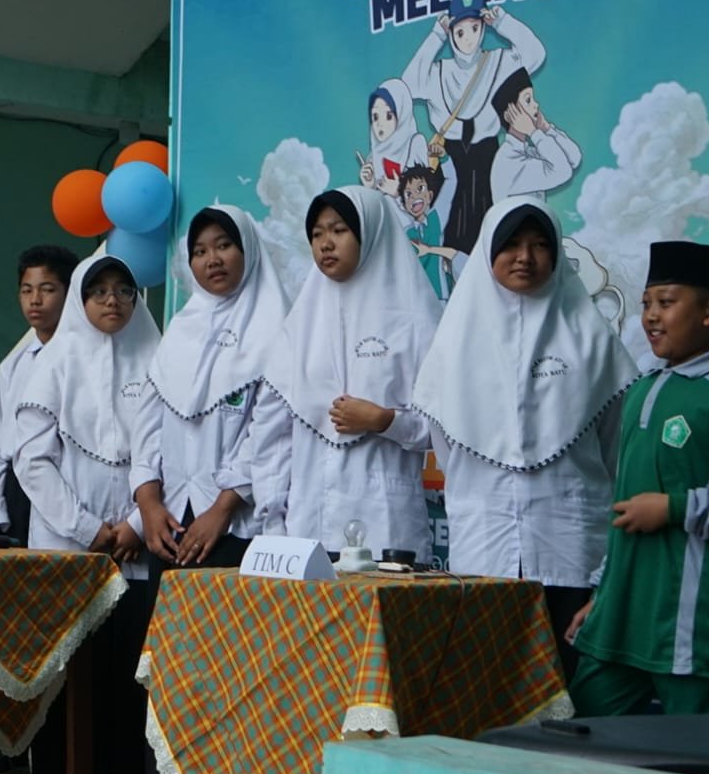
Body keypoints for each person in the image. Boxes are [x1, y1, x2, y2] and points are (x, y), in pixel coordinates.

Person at [412, 198, 638, 679]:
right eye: (511, 244)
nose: (525, 257)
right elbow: (449, 452)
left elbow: (614, 448)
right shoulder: (454, 346)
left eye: (539, 245)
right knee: (488, 687)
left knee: (571, 684)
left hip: (570, 546)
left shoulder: (593, 342)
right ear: (487, 252)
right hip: (484, 549)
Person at [568, 242, 709, 715]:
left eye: (667, 303)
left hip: (691, 626)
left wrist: (677, 508)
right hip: (620, 617)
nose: (651, 316)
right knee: (584, 740)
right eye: (647, 303)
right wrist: (601, 593)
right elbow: (624, 508)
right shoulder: (640, 392)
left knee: (698, 767)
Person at [127, 205, 289, 774]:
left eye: (225, 246)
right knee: (169, 671)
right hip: (171, 528)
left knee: (228, 675)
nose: (213, 259)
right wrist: (147, 500)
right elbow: (147, 424)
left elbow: (269, 432)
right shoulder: (180, 331)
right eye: (200, 250)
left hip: (235, 532)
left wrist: (224, 505)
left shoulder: (275, 329)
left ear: (248, 251)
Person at [14, 256, 159, 774]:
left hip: (135, 544)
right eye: (98, 291)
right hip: (66, 543)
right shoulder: (52, 364)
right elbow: (33, 461)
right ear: (80, 298)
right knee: (67, 662)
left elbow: (161, 453)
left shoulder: (156, 358)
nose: (112, 301)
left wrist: (133, 527)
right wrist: (89, 529)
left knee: (126, 661)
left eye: (124, 290)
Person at [252, 188, 440, 559]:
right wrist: (273, 522)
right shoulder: (300, 327)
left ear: (368, 232)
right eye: (317, 234)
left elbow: (445, 427)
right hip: (308, 529)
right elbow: (271, 435)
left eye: (338, 230)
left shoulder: (416, 322)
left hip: (387, 526)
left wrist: (385, 420)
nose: (325, 244)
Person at [0, 243, 78, 774]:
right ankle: (11, 745)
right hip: (17, 497)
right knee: (14, 633)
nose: (36, 301)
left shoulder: (82, 351)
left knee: (55, 632)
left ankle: (53, 758)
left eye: (48, 289)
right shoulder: (16, 363)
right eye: (26, 290)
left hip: (64, 497)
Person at [403, 0, 545, 258]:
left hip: (489, 163)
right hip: (451, 168)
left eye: (474, 28)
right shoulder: (438, 72)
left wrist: (503, 22)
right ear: (451, 33)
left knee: (498, 239)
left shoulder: (498, 62)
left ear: (482, 27)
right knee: (450, 240)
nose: (468, 38)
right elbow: (408, 85)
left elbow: (535, 54)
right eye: (459, 31)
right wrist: (435, 36)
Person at [489, 67, 582, 201]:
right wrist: (534, 132)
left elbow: (574, 158)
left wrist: (547, 128)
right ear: (510, 114)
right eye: (528, 100)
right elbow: (563, 171)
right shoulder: (508, 161)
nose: (536, 105)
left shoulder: (528, 151)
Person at [357, 78, 430, 201]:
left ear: (402, 113)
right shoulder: (373, 157)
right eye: (375, 117)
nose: (380, 124)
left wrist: (398, 192)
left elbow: (423, 200)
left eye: (388, 116)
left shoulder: (416, 143)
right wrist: (369, 186)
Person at [397, 163, 455, 300]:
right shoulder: (406, 233)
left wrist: (445, 159)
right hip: (418, 301)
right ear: (404, 204)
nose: (414, 196)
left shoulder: (436, 219)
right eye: (408, 194)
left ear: (429, 195)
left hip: (442, 297)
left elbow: (451, 181)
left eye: (420, 188)